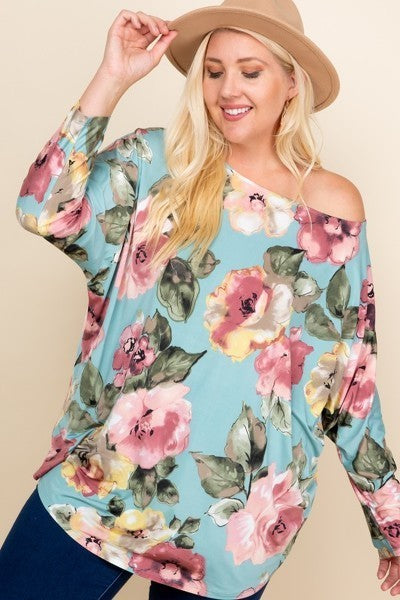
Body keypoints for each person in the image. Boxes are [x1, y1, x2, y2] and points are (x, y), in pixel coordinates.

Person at [1, 0, 400, 598]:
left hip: (231, 524)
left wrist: (391, 523)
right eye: (214, 71)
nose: (228, 89)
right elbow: (42, 209)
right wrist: (112, 77)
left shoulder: (330, 211)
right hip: (100, 484)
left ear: (292, 82)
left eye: (250, 71)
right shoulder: (153, 164)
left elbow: (349, 384)